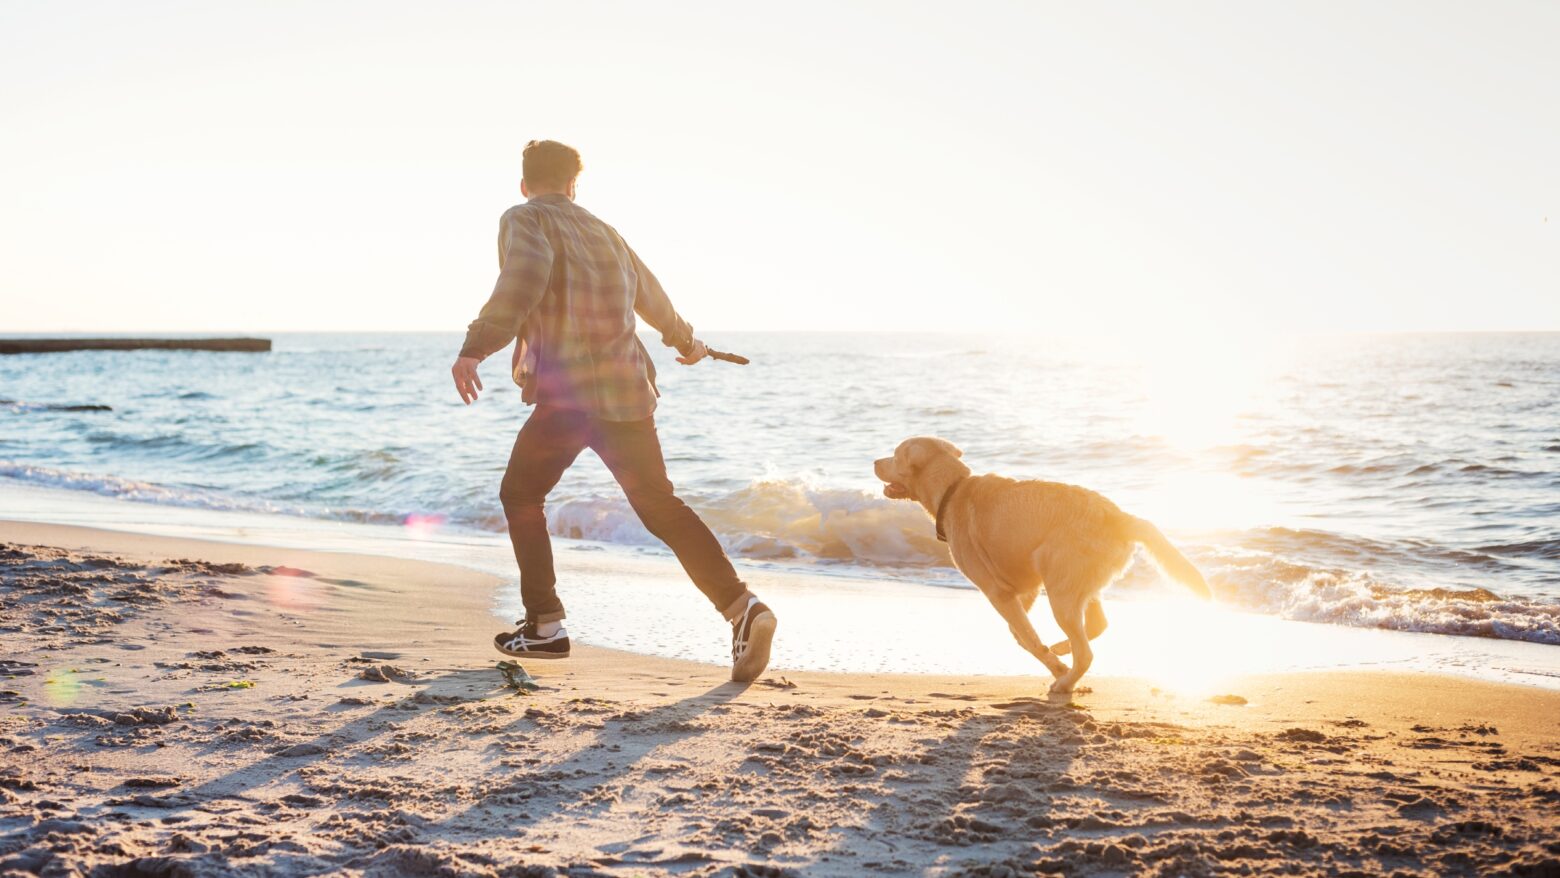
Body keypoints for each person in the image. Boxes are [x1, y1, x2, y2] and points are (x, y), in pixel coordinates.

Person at [450, 139, 777, 682]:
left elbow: (523, 279)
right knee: (660, 506)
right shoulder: (606, 231)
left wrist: (475, 346)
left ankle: (545, 627)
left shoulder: (523, 219)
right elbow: (652, 296)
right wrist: (687, 341)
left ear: (525, 183)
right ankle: (744, 609)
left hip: (569, 396)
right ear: (575, 185)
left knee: (521, 495)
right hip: (627, 394)